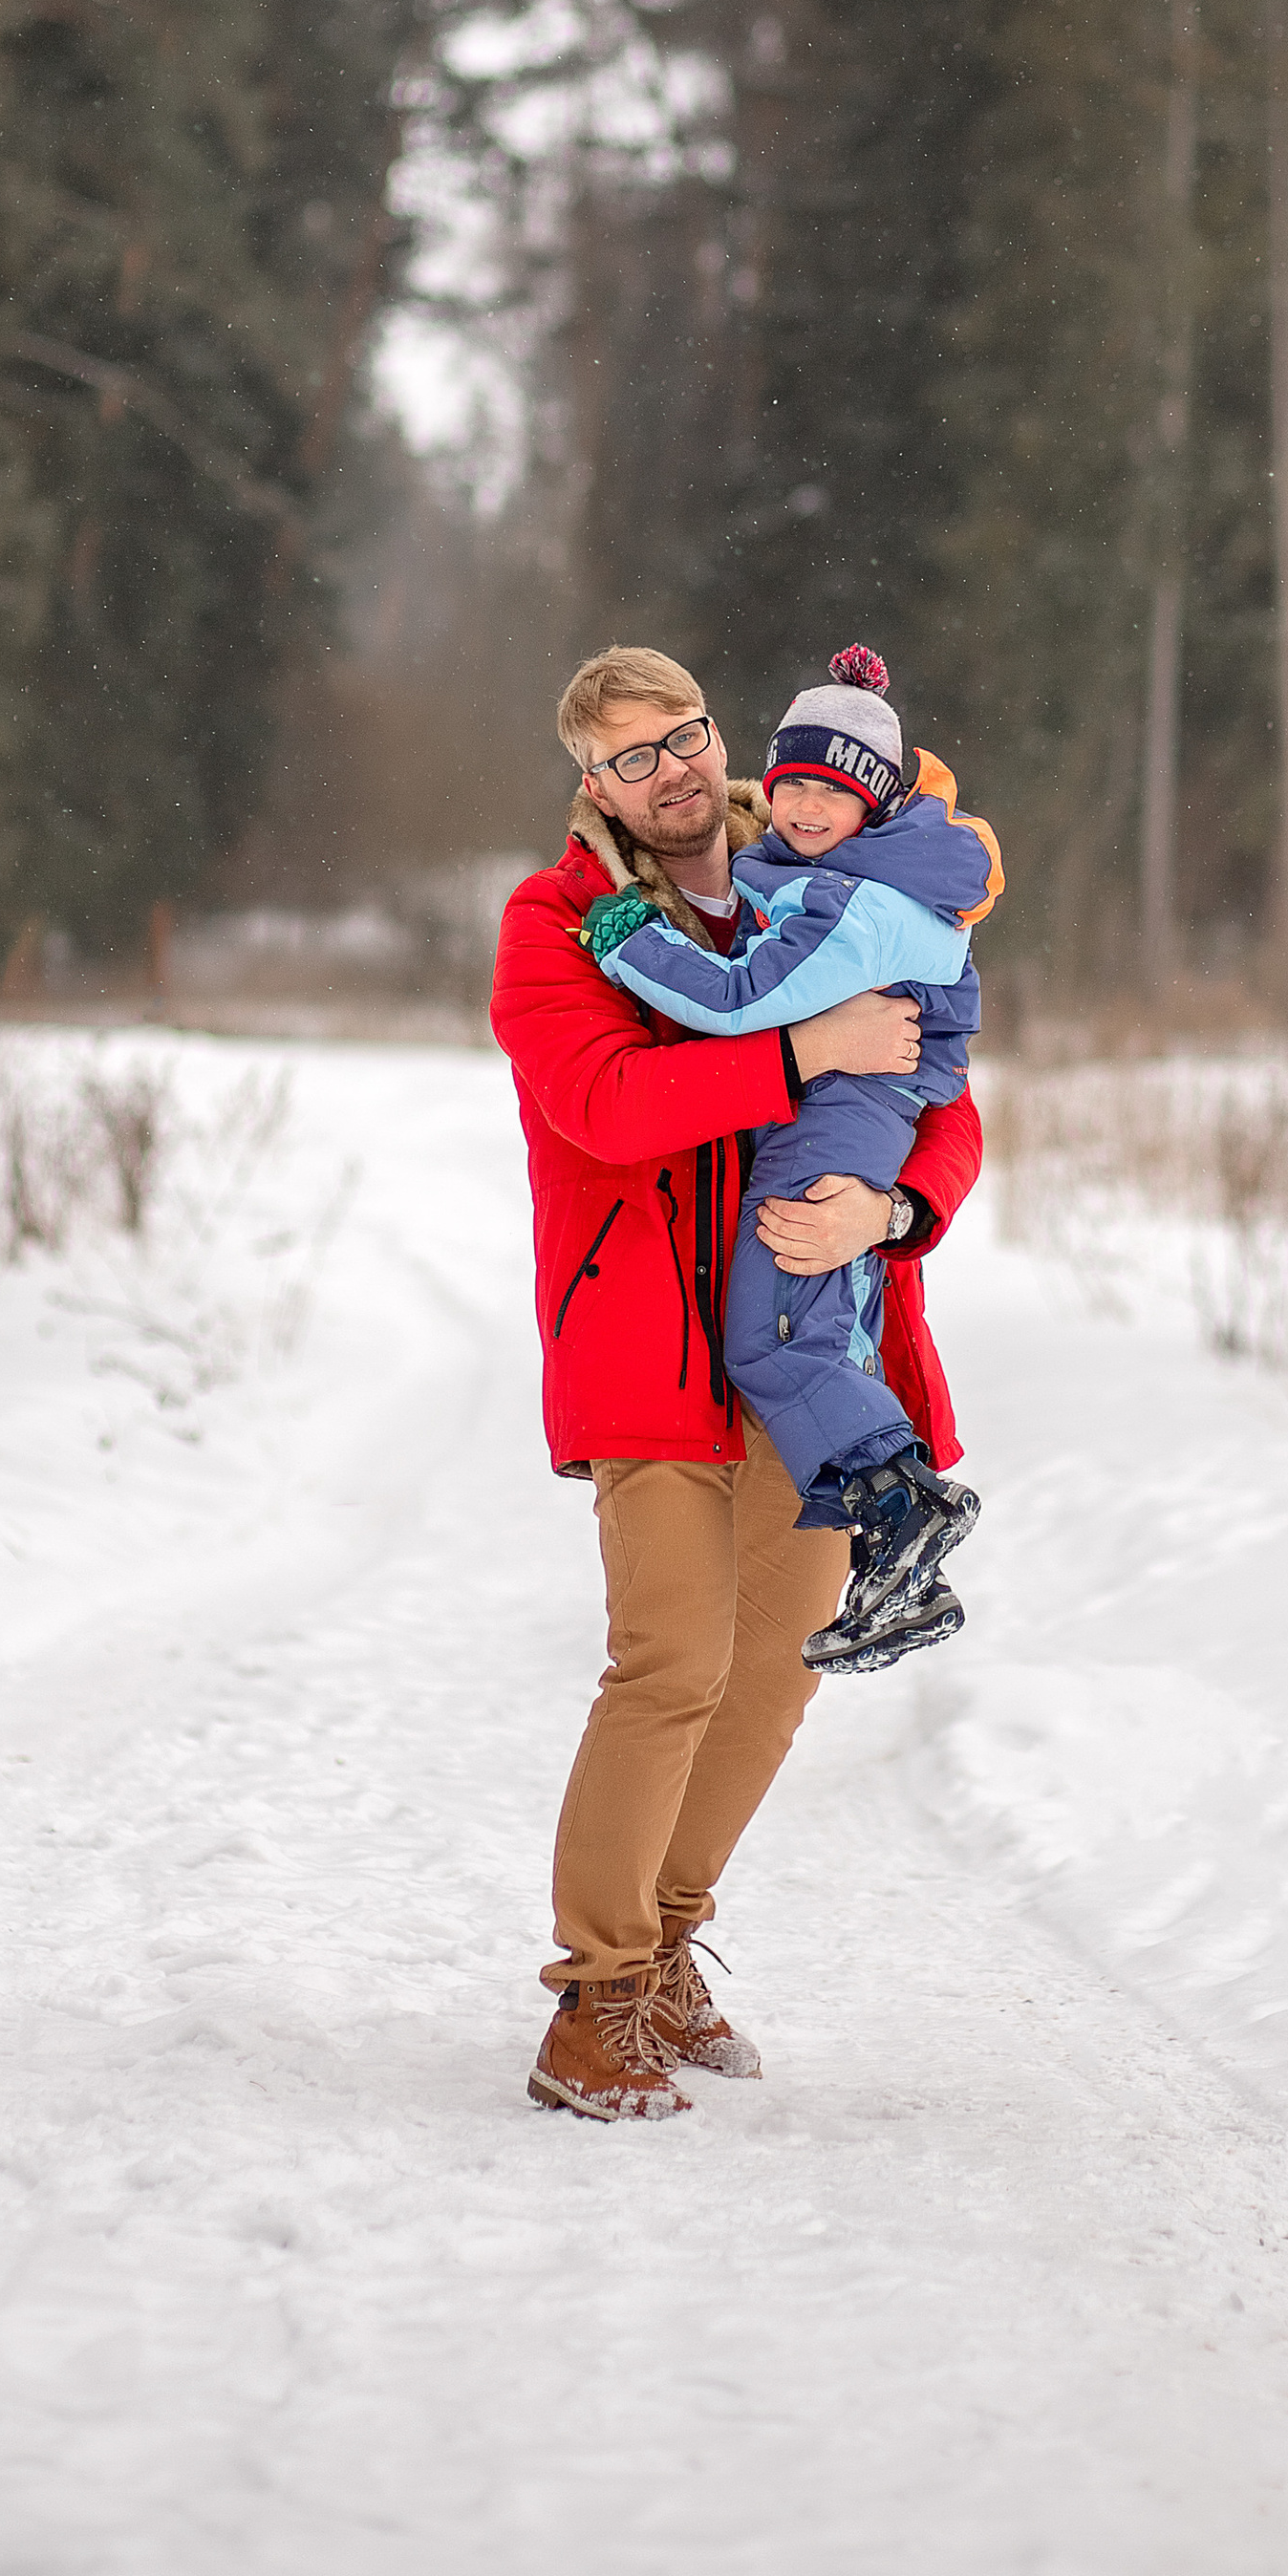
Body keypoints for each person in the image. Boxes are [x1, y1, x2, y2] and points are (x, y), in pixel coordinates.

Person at [489, 644, 984, 2124]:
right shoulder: (560, 919)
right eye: (633, 757)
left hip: (814, 1348)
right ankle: (593, 1997)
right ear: (594, 784)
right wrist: (797, 1056)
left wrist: (891, 1212)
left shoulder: (823, 862)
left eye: (687, 734)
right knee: (671, 1668)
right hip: (648, 1349)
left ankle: (668, 1951)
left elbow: (941, 1092)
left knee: (773, 1681)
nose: (674, 770)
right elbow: (606, 1102)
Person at [581, 646, 1001, 1678]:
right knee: (811, 1331)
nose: (809, 808)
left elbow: (735, 1001)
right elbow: (610, 1103)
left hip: (843, 1117)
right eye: (795, 786)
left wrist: (631, 939)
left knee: (780, 1338)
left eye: (835, 790)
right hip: (838, 1109)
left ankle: (903, 1508)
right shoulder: (830, 874)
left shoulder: (860, 903)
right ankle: (897, 1569)